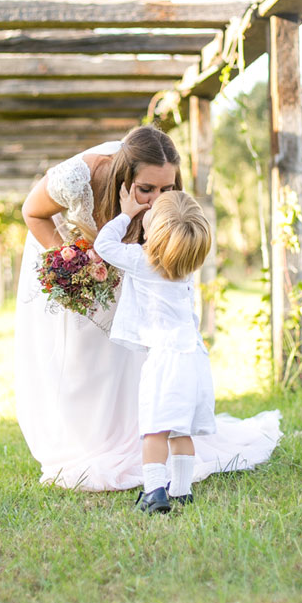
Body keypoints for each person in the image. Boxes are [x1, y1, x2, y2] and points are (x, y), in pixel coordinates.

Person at [15, 125, 281, 491]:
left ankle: (134, 436)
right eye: (146, 189)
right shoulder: (81, 175)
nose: (158, 200)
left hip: (125, 270)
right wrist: (71, 257)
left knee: (126, 356)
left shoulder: (162, 205)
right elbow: (32, 212)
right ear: (125, 178)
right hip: (73, 258)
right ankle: (85, 440)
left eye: (167, 189)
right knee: (80, 357)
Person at [94, 186, 216, 513]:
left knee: (154, 429)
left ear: (155, 229)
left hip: (164, 359)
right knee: (181, 429)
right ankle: (181, 490)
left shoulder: (141, 260)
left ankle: (154, 493)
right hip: (193, 357)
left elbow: (103, 245)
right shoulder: (185, 266)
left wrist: (126, 212)